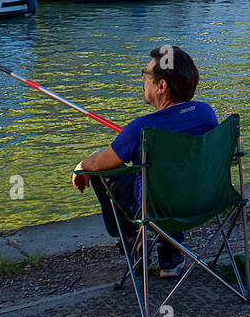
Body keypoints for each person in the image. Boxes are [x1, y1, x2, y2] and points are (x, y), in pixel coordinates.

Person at [73, 46, 218, 278]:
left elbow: (101, 162)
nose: (143, 80)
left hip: (154, 209)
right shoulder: (206, 114)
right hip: (203, 201)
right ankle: (171, 253)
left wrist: (81, 167)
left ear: (161, 87)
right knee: (172, 175)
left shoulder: (140, 128)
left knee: (102, 171)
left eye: (146, 75)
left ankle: (133, 243)